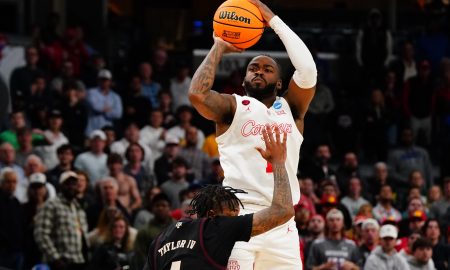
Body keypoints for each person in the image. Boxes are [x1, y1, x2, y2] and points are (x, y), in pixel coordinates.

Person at [188, 0, 317, 267]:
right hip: (237, 215)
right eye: (253, 68)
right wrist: (219, 46)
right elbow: (197, 94)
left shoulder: (291, 109)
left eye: (267, 69)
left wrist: (272, 20)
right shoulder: (233, 106)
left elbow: (307, 70)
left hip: (283, 222)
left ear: (280, 83)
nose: (259, 70)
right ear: (244, 79)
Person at [144, 125, 295, 269]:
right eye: (231, 216)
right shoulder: (217, 228)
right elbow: (283, 211)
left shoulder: (160, 239)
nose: (234, 219)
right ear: (211, 215)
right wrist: (278, 163)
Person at [34, 171, 89, 270]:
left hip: (79, 261)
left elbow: (83, 235)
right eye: (68, 184)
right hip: (59, 262)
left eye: (74, 184)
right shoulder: (51, 204)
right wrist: (56, 258)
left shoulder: (78, 207)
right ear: (61, 186)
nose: (72, 187)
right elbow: (41, 234)